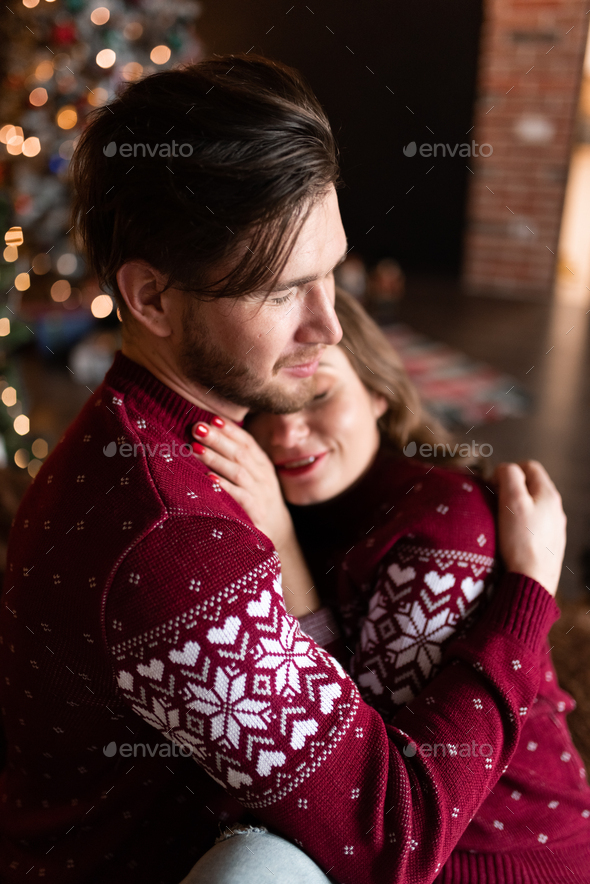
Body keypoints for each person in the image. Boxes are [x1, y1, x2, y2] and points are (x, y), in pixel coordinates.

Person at [0, 55, 569, 884]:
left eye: (330, 274)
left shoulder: (146, 436)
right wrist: (524, 604)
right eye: (280, 292)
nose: (330, 327)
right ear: (151, 300)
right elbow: (391, 838)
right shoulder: (174, 538)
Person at [191, 286, 590, 882]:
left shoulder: (443, 519)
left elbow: (366, 774)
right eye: (263, 409)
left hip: (503, 858)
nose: (287, 435)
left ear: (378, 391)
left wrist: (285, 551)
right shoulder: (299, 505)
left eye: (317, 394)